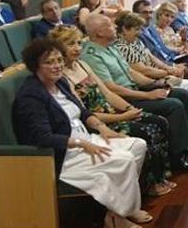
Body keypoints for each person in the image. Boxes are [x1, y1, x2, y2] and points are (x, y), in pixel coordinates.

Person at [12, 38, 151, 228]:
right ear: (35, 66)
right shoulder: (31, 96)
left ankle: (120, 209)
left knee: (137, 145)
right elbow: (42, 138)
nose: (57, 65)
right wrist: (81, 143)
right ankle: (118, 216)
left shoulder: (60, 82)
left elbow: (82, 111)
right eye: (49, 62)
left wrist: (103, 128)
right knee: (124, 159)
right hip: (63, 152)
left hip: (84, 137)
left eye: (59, 59)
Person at [50, 25, 175, 197]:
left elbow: (107, 93)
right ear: (59, 47)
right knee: (146, 130)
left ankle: (160, 177)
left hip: (114, 112)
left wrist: (129, 109)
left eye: (79, 43)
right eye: (71, 44)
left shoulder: (83, 64)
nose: (77, 48)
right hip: (97, 122)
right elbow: (83, 112)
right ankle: (146, 186)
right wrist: (123, 116)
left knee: (159, 122)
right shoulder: (61, 77)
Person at [81, 13, 188, 172]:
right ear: (99, 33)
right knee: (173, 105)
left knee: (180, 93)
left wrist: (158, 83)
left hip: (134, 89)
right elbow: (111, 88)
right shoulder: (92, 55)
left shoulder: (111, 47)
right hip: (122, 99)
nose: (115, 27)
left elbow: (131, 73)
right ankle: (177, 159)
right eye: (109, 25)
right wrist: (148, 95)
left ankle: (183, 145)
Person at [113, 11, 188, 118]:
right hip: (145, 82)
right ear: (125, 29)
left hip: (155, 75)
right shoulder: (122, 47)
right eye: (136, 29)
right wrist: (167, 73)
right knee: (186, 86)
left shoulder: (135, 41)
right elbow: (143, 70)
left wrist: (170, 69)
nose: (139, 33)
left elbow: (151, 57)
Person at [134, 0, 188, 99]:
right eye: (144, 12)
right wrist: (172, 66)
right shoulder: (138, 34)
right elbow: (152, 58)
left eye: (150, 12)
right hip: (165, 63)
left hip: (173, 57)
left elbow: (164, 49)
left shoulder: (151, 29)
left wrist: (183, 47)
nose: (149, 16)